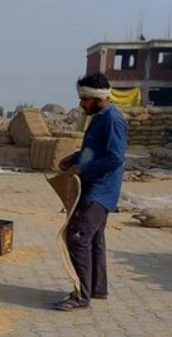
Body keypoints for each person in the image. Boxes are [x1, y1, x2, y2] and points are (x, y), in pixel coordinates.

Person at [55, 72, 127, 311]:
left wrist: (83, 169)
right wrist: (73, 159)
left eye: (84, 99)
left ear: (98, 98)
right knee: (94, 238)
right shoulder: (99, 118)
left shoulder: (113, 119)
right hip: (93, 187)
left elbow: (114, 158)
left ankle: (80, 295)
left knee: (78, 238)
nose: (81, 104)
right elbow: (92, 152)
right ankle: (97, 288)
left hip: (100, 190)